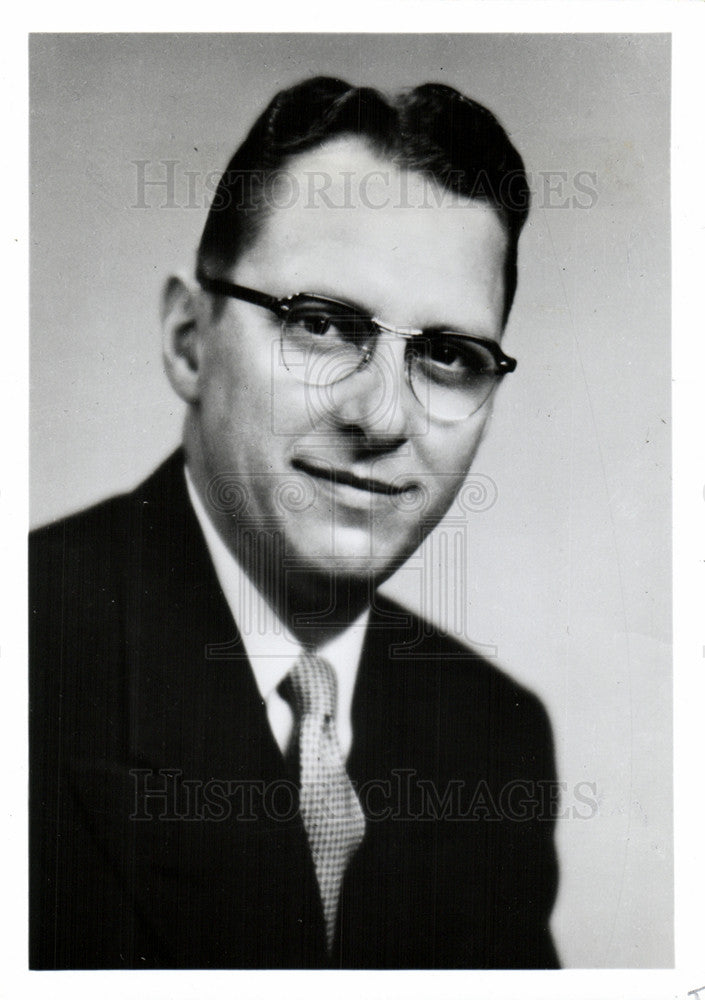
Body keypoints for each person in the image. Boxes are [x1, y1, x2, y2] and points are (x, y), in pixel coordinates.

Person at [29, 76, 560, 969]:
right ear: (187, 341)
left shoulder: (488, 736)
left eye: (448, 355)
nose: (382, 417)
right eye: (320, 324)